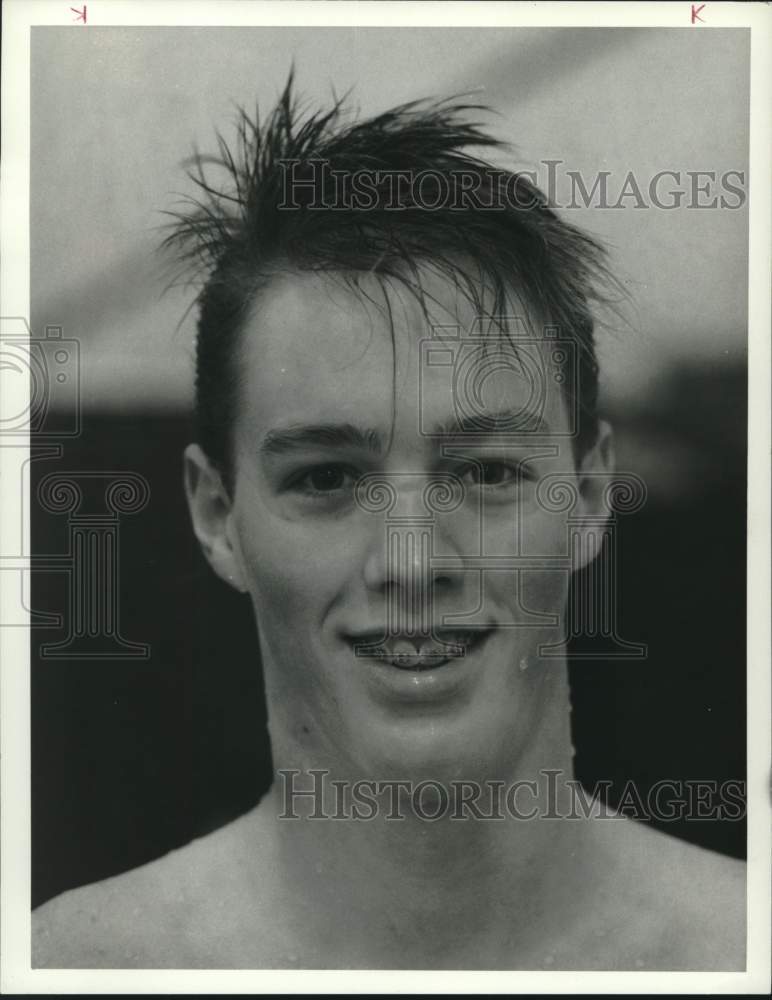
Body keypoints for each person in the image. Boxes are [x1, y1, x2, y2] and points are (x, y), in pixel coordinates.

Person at [33, 76, 745, 971]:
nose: (410, 562)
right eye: (327, 477)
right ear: (217, 514)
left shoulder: (737, 953)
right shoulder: (73, 968)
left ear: (592, 495)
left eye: (486, 472)